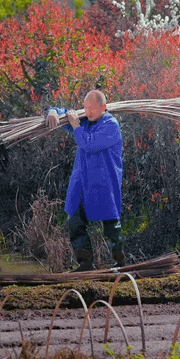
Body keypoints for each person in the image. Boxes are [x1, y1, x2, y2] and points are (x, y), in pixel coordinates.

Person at [46, 89, 124, 271]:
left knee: (111, 224)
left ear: (103, 107)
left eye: (92, 108)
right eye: (85, 107)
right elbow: (61, 111)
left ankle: (120, 263)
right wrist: (52, 112)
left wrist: (76, 127)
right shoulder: (84, 121)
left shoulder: (110, 125)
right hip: (82, 181)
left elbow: (89, 144)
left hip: (104, 182)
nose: (88, 112)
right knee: (74, 220)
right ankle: (85, 263)